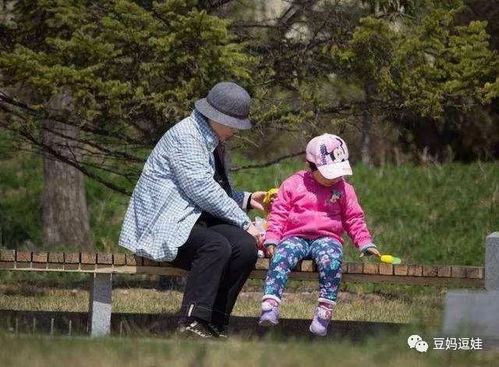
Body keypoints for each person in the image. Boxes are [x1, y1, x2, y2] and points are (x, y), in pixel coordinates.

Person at [119, 82, 266, 338]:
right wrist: (245, 223)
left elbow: (212, 187)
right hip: (168, 221)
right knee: (215, 247)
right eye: (232, 123)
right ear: (215, 117)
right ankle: (191, 322)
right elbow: (201, 189)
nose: (234, 130)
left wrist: (247, 199)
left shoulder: (211, 138)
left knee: (244, 248)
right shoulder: (186, 136)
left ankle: (215, 324)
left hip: (196, 218)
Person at [258, 134, 381, 336]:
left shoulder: (344, 189)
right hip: (295, 236)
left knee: (332, 260)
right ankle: (270, 305)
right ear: (311, 165)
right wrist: (272, 237)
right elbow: (279, 213)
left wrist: (365, 242)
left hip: (327, 238)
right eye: (328, 172)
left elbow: (353, 218)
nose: (334, 177)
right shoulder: (293, 184)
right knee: (282, 256)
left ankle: (324, 312)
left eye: (338, 172)